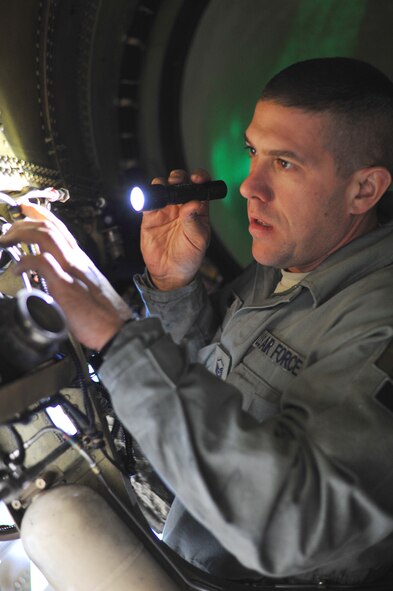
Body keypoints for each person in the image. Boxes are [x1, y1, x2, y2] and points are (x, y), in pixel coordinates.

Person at [1, 56, 393, 587]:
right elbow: (210, 396)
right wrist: (172, 288)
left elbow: (289, 525)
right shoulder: (285, 266)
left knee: (57, 524)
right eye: (254, 152)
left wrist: (117, 336)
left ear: (364, 191)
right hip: (171, 528)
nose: (250, 185)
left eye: (286, 164)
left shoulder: (376, 321)